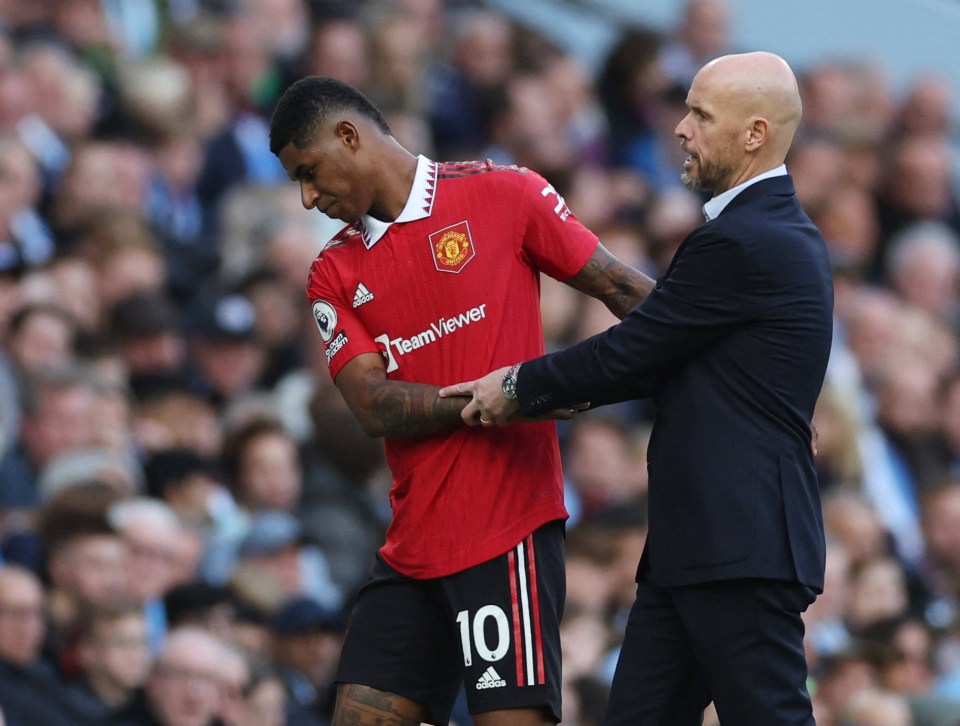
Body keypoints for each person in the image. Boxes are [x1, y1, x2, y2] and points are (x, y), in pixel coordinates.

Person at [442, 52, 834, 725]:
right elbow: (664, 359)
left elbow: (637, 348)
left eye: (701, 115)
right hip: (698, 549)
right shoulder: (766, 235)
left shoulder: (747, 241)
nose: (680, 128)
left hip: (736, 548)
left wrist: (519, 386)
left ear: (754, 134)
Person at [268, 76, 652, 726]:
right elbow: (371, 405)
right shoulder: (332, 272)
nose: (308, 198)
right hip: (413, 546)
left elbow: (624, 290)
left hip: (507, 532)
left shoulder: (506, 194)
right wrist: (494, 397)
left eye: (310, 173)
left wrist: (742, 377)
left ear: (349, 136)